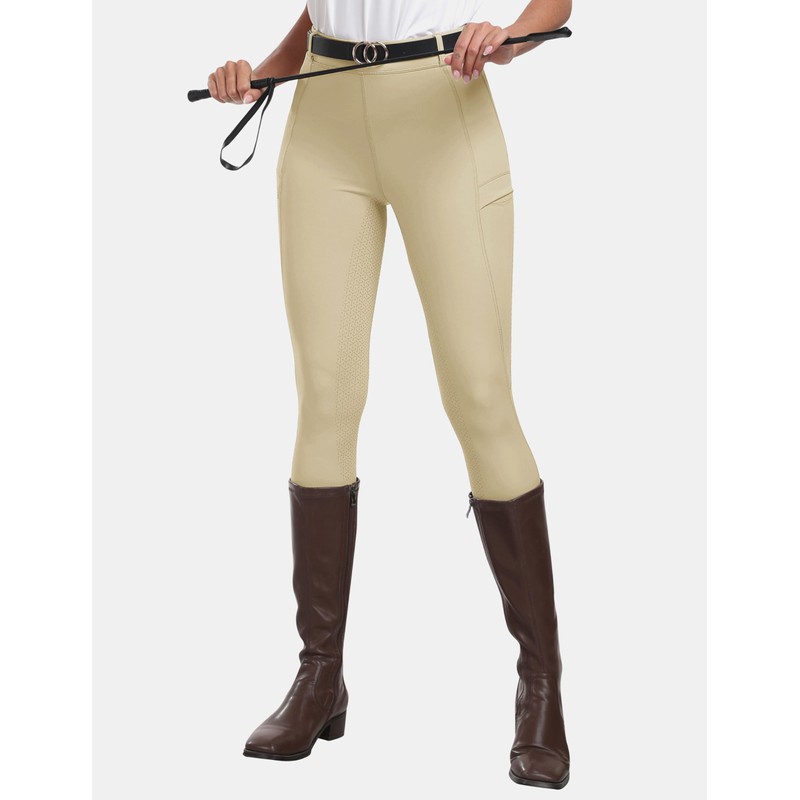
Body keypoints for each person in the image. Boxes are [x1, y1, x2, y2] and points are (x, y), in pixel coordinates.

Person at [208, 0, 573, 789]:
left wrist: (512, 38)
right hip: (323, 117)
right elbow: (329, 9)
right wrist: (262, 73)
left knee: (479, 397)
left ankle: (541, 686)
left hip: (441, 102)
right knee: (324, 397)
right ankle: (319, 676)